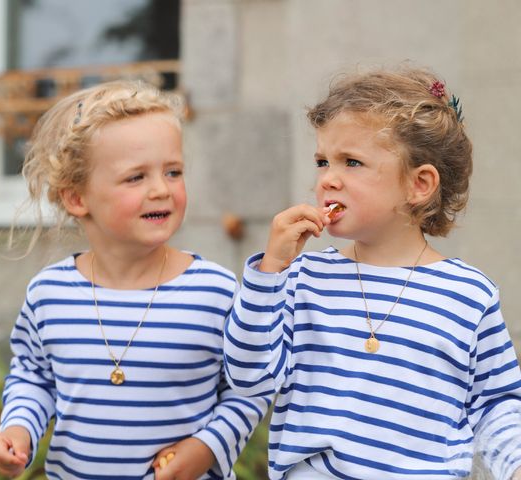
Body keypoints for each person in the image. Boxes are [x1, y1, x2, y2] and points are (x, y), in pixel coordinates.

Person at [223, 66, 521, 479]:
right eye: (322, 161)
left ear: (419, 185)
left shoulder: (468, 294)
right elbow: (247, 377)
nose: (328, 179)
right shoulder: (303, 278)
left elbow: (495, 403)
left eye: (352, 162)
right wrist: (268, 273)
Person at [0, 80, 270, 480]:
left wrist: (207, 448)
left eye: (173, 172)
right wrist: (18, 429)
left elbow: (249, 388)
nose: (161, 190)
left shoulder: (215, 291)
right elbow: (33, 375)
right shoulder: (49, 293)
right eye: (136, 177)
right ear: (76, 198)